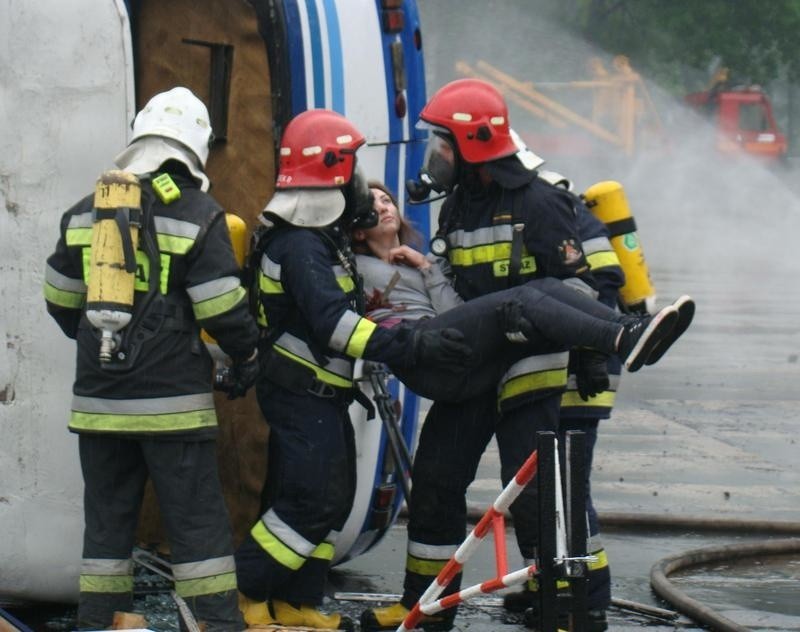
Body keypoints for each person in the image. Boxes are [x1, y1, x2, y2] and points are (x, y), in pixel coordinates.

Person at [359, 76, 693, 632]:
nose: (435, 156)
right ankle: (423, 606)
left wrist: (586, 355)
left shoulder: (541, 200)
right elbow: (459, 288)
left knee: (543, 497)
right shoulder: (459, 206)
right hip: (476, 360)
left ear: (472, 145)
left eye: (442, 143)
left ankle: (572, 605)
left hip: (536, 364)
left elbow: (577, 289)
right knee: (437, 480)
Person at [233, 109, 473, 631]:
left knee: (331, 500)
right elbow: (333, 326)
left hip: (321, 392)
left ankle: (297, 603)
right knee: (309, 500)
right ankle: (245, 591)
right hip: (300, 390)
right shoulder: (299, 243)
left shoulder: (317, 237)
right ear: (334, 173)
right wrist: (407, 345)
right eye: (351, 169)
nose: (359, 183)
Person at [43, 87, 260, 630]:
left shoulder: (85, 209)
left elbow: (60, 297)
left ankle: (101, 621)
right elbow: (221, 306)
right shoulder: (197, 211)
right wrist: (249, 352)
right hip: (174, 408)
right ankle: (215, 623)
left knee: (107, 529)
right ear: (195, 148)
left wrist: (97, 345)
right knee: (197, 526)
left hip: (98, 404)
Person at [352, 181, 690, 404]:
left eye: (387, 200)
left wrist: (427, 269)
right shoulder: (355, 269)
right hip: (424, 362)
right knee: (523, 298)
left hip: (450, 352)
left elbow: (448, 312)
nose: (384, 207)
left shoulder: (423, 263)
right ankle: (622, 337)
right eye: (373, 205)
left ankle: (630, 328)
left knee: (541, 287)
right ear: (356, 230)